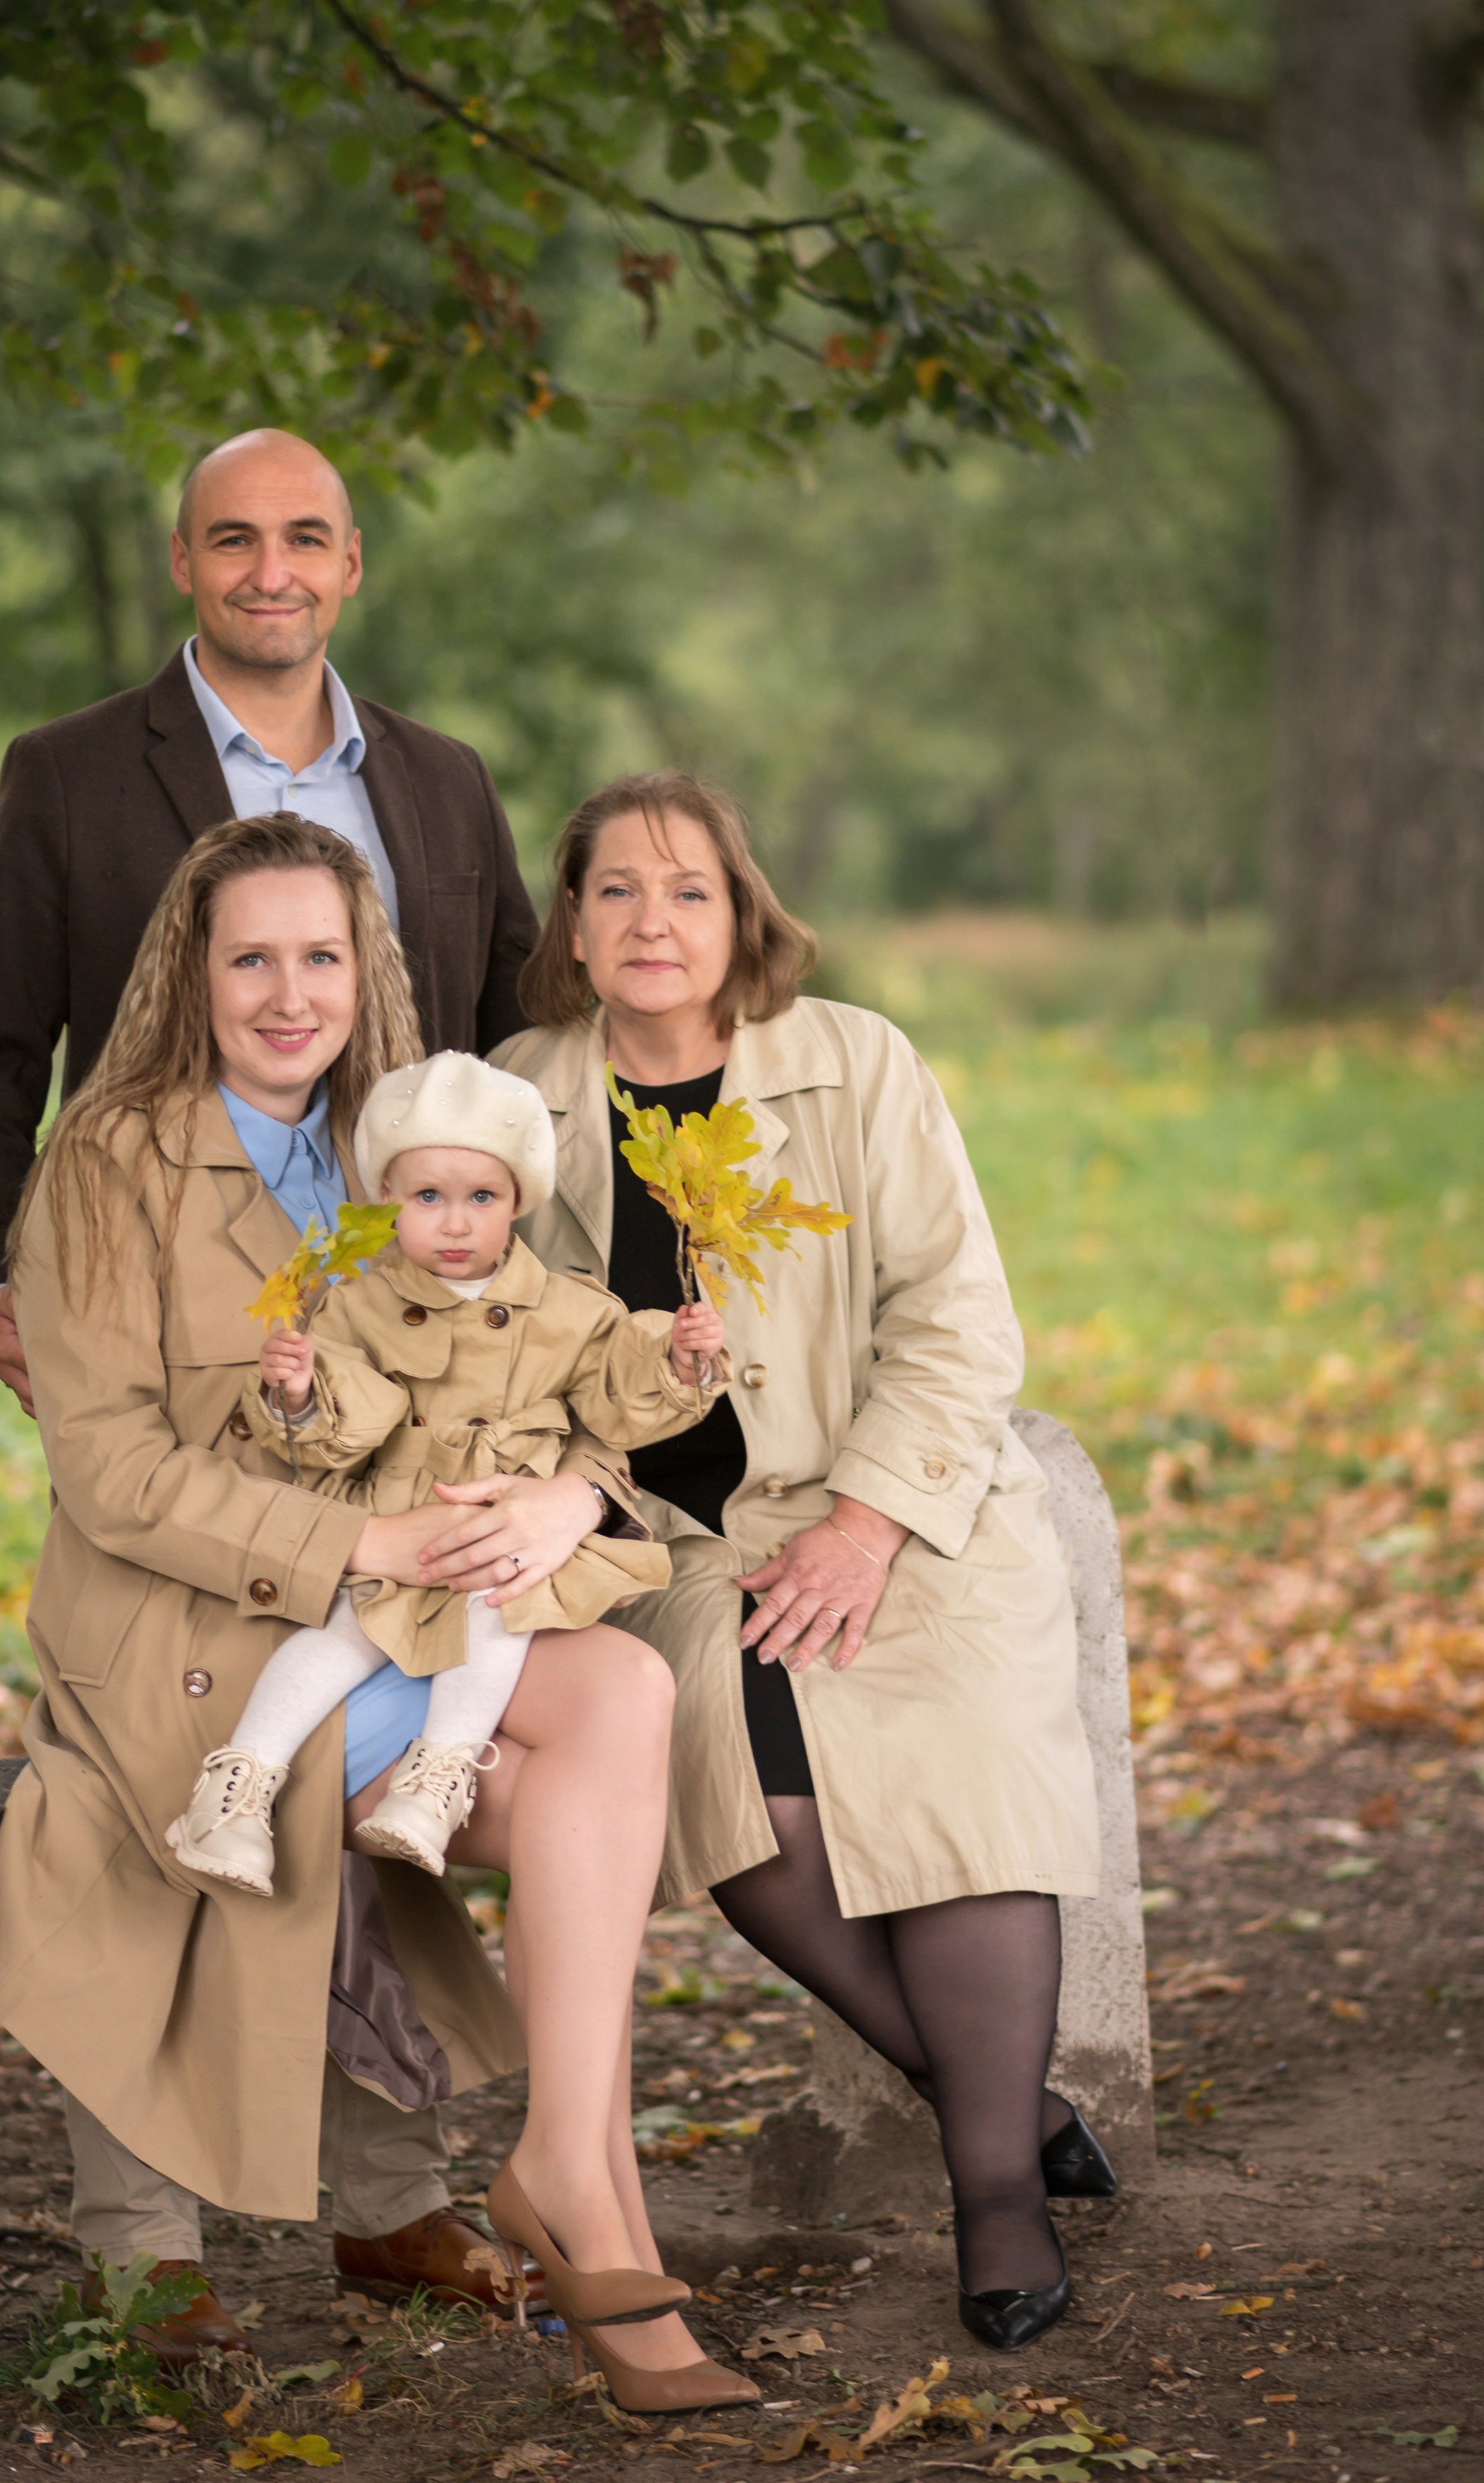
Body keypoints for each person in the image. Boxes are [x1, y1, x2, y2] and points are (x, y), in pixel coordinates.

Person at [0, 811, 757, 2416]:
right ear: (190, 971)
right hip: (200, 1622)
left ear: (364, 966)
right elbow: (112, 1473)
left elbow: (547, 1360)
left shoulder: (415, 1139)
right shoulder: (107, 1166)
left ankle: (567, 2161)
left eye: (319, 954)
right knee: (586, 1751)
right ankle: (582, 2193)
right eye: (249, 957)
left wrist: (574, 1492)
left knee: (621, 1695)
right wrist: (366, 1534)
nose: (287, 993)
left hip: (422, 1597)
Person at [0, 430, 552, 2327]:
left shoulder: (438, 785)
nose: (270, 568)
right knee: (168, 1770)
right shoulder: (69, 788)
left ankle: (456, 2188)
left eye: (305, 537)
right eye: (232, 537)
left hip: (369, 1456)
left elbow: (518, 1055)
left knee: (555, 1711)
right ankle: (164, 2247)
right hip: (166, 1418)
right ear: (185, 562)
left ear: (351, 563)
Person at [496, 772, 1112, 2355]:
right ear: (572, 924)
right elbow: (487, 1349)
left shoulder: (855, 1061)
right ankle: (1005, 2097)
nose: (652, 919)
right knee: (743, 1794)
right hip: (663, 1538)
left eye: (687, 889)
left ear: (739, 915)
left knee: (961, 1757)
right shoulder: (515, 1099)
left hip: (891, 1500)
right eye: (616, 889)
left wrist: (866, 1519)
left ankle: (997, 2188)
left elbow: (956, 1315)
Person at [166, 1048, 728, 1891]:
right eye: (427, 1197)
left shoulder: (572, 1309)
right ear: (386, 1197)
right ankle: (235, 1791)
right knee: (339, 1637)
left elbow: (617, 1401)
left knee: (499, 1609)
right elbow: (343, 1429)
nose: (455, 1224)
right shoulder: (354, 1305)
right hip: (401, 1519)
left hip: (503, 1528)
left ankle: (434, 1780)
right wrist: (299, 1390)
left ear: (518, 1200)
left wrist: (679, 1362)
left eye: (482, 1198)